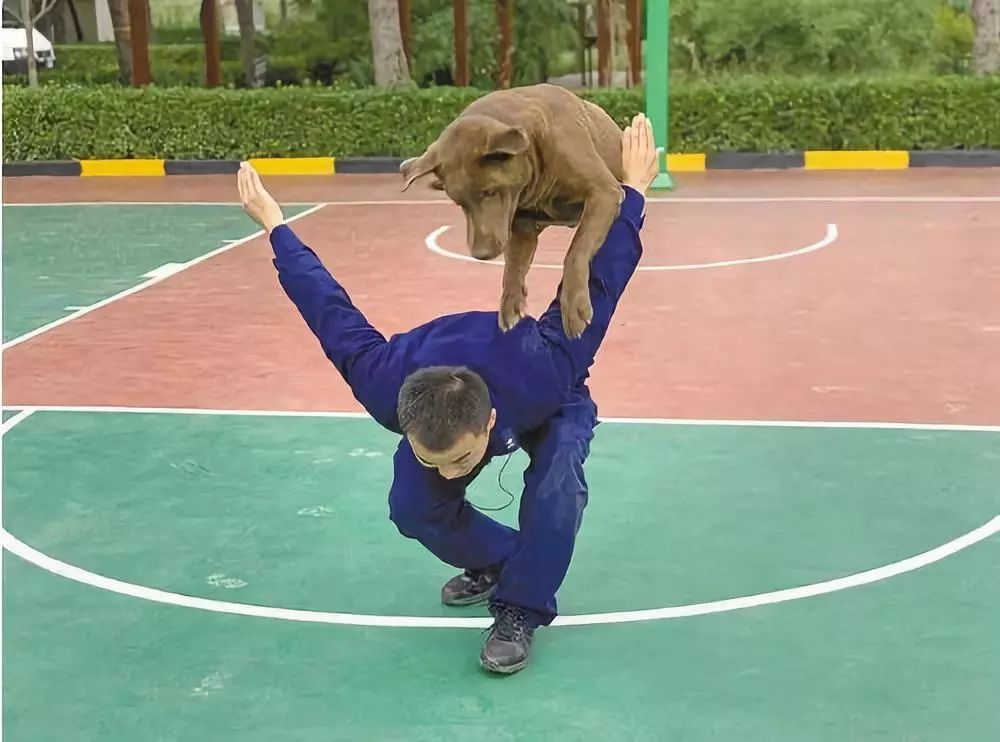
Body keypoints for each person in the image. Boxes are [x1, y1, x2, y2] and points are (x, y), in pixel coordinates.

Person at [237, 114, 660, 674]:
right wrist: (274, 224)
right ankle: (499, 562)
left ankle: (520, 609)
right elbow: (327, 308)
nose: (455, 472)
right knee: (411, 505)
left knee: (558, 483)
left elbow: (603, 279)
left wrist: (632, 192)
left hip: (544, 398)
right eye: (433, 456)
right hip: (460, 375)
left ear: (487, 425)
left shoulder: (546, 367)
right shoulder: (383, 381)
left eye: (461, 458)